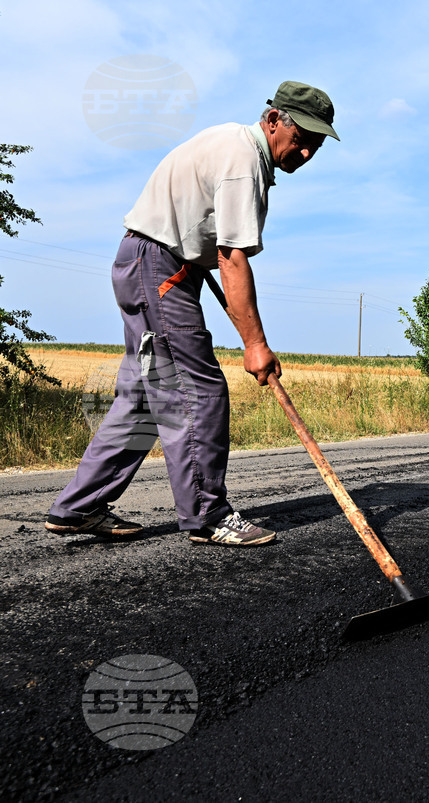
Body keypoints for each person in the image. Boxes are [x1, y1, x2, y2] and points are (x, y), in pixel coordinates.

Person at [45, 81, 339, 547]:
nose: (304, 153)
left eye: (315, 146)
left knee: (146, 395)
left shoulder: (232, 142)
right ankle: (208, 514)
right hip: (160, 269)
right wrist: (255, 344)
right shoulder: (245, 162)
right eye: (301, 139)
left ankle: (79, 508)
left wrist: (195, 263)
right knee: (197, 389)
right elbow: (232, 257)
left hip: (152, 262)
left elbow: (205, 238)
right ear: (274, 120)